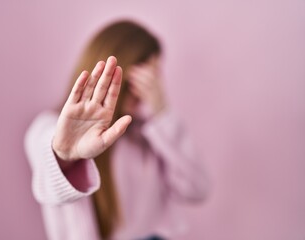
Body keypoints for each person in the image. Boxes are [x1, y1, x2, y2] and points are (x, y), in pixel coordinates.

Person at [24, 20, 209, 240]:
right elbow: (48, 163)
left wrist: (162, 114)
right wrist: (63, 153)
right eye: (140, 78)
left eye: (155, 76)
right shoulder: (47, 126)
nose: (146, 89)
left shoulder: (149, 134)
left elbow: (197, 189)